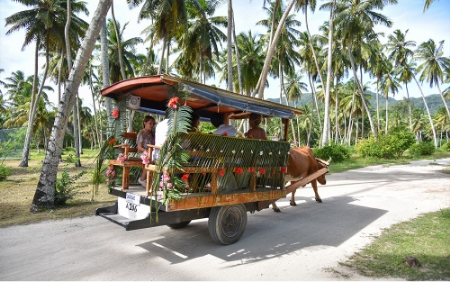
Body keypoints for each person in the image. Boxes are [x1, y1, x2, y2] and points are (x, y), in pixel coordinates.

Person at [136, 115, 155, 186]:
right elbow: (139, 147)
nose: (152, 125)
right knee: (149, 158)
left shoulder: (153, 134)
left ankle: (151, 180)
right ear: (145, 123)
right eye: (150, 123)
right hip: (142, 153)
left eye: (153, 124)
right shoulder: (141, 133)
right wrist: (147, 152)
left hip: (151, 153)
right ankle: (142, 179)